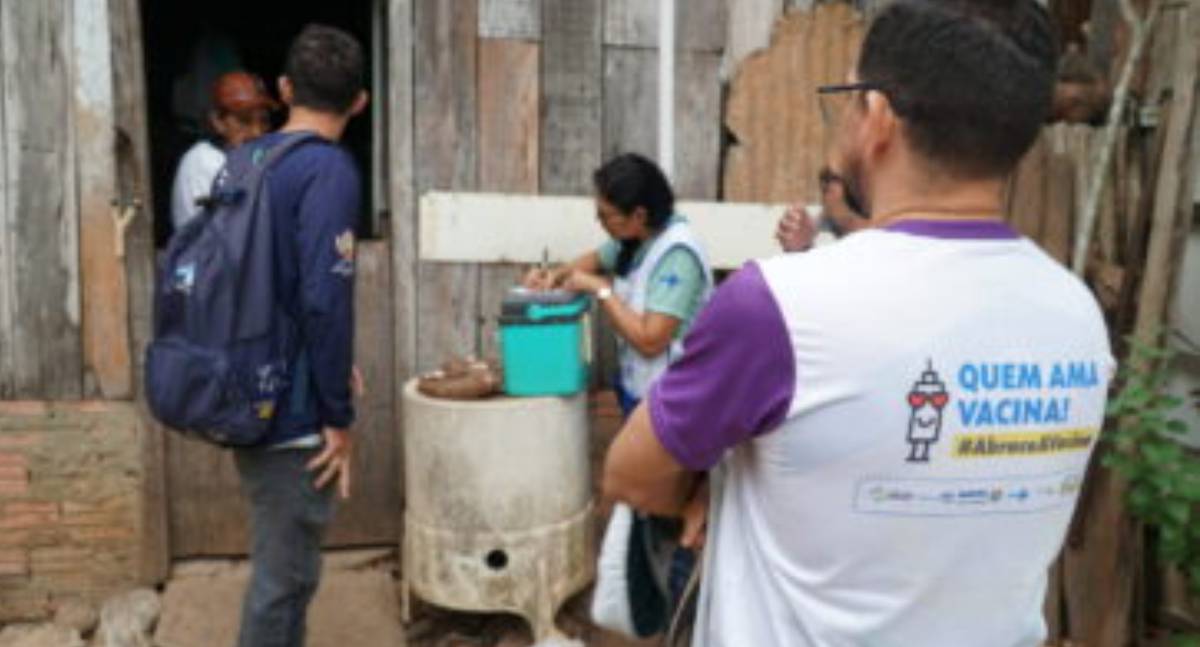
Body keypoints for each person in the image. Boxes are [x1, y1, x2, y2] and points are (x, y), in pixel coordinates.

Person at [602, 1, 1114, 645]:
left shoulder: (780, 308)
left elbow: (631, 474)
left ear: (875, 117)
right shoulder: (1077, 317)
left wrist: (703, 489)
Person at [526, 153, 714, 637]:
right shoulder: (633, 241)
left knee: (675, 521)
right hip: (642, 403)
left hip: (676, 410)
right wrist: (555, 277)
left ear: (639, 215)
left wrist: (602, 292)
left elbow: (652, 337)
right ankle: (651, 614)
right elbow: (588, 262)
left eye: (609, 217)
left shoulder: (677, 253)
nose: (603, 226)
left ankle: (681, 621)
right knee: (651, 516)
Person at [232, 24, 368, 647]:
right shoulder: (327, 171)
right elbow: (322, 298)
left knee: (288, 571)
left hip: (244, 382)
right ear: (360, 102)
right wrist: (335, 413)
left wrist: (334, 369)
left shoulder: (245, 160)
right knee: (282, 581)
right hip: (290, 408)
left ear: (285, 90)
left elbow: (260, 281)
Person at [170, 71, 276, 232]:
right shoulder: (202, 160)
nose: (257, 132)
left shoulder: (253, 159)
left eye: (264, 121)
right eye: (244, 121)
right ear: (218, 121)